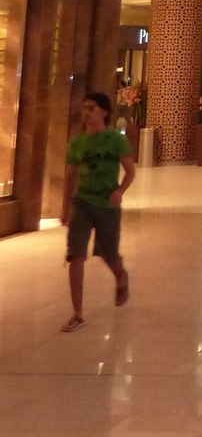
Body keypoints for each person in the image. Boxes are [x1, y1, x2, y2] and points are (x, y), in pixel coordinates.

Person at [61, 93, 136, 332]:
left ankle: (121, 275)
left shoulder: (116, 140)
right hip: (82, 202)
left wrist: (120, 191)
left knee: (108, 253)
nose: (86, 113)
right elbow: (71, 176)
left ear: (104, 112)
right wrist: (66, 206)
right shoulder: (77, 143)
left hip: (107, 204)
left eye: (91, 108)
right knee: (76, 255)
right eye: (83, 108)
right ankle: (77, 313)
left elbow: (130, 171)